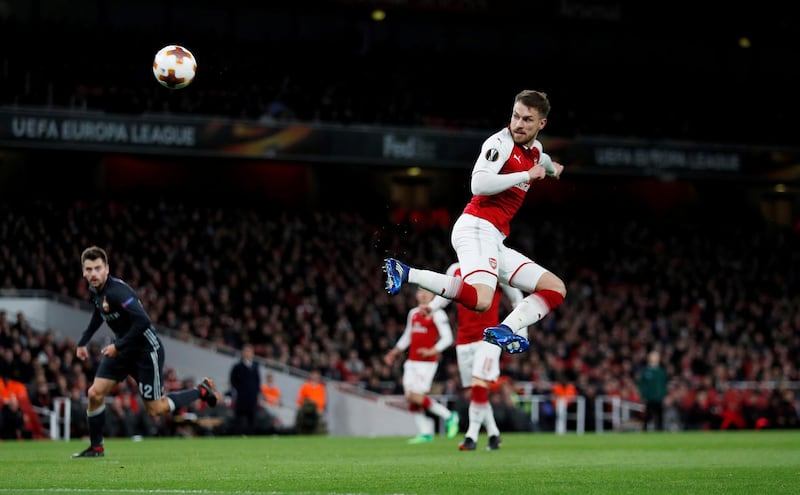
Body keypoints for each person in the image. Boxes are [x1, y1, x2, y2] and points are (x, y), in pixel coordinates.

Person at [383, 89, 566, 354]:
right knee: (482, 300)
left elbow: (543, 160)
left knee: (555, 287)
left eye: (527, 119)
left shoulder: (535, 150)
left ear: (542, 123)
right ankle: (406, 272)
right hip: (477, 226)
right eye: (515, 116)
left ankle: (505, 329)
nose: (518, 124)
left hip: (494, 238)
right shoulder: (499, 143)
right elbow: (478, 184)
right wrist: (525, 174)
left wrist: (553, 169)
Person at [71, 246, 218, 458]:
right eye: (89, 269)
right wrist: (83, 342)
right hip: (123, 350)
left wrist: (118, 346)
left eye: (97, 268)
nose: (93, 273)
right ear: (83, 272)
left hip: (145, 351)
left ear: (107, 269)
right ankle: (96, 448)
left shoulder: (117, 291)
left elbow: (143, 321)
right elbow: (99, 313)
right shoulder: (97, 291)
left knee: (155, 409)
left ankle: (201, 391)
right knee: (94, 393)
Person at [426, 262, 524, 450]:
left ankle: (471, 436)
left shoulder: (495, 267)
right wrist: (432, 307)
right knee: (475, 391)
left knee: (479, 384)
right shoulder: (454, 269)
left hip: (489, 338)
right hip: (463, 340)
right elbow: (445, 294)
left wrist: (519, 328)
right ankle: (494, 434)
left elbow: (517, 298)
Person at [384, 287, 460, 444]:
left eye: (426, 291)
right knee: (410, 398)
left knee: (415, 396)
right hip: (411, 361)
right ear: (416, 295)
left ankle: (449, 416)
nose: (423, 294)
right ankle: (425, 433)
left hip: (426, 363)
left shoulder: (437, 313)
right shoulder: (413, 313)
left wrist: (432, 350)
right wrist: (395, 352)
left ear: (433, 294)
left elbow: (448, 338)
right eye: (419, 291)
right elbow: (407, 336)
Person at [229, 343, 261, 435]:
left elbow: (257, 381)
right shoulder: (237, 367)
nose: (248, 353)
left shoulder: (255, 366)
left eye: (250, 351)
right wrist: (240, 390)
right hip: (241, 397)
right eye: (246, 351)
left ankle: (251, 436)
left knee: (252, 418)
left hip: (252, 397)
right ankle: (237, 435)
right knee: (239, 418)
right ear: (242, 353)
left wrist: (257, 393)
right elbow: (233, 381)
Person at [637, 350, 669, 431]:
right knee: (647, 416)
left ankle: (660, 431)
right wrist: (642, 396)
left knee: (660, 416)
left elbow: (665, 385)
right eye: (654, 356)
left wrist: (666, 395)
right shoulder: (645, 371)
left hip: (659, 398)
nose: (655, 358)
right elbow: (641, 384)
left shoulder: (661, 371)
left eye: (657, 356)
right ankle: (644, 431)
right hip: (649, 398)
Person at [295, 368, 326, 434]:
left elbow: (322, 401)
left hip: (317, 410)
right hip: (307, 410)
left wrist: (319, 408)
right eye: (314, 374)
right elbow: (300, 399)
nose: (315, 376)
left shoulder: (321, 387)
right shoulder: (305, 386)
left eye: (317, 375)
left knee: (320, 417)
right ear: (311, 375)